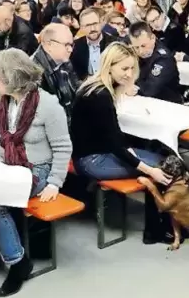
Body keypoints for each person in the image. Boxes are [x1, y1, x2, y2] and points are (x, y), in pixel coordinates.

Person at [0, 48, 72, 297]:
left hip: (37, 170)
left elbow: (63, 147)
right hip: (4, 166)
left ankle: (17, 262)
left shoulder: (48, 104)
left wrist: (55, 183)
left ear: (13, 79)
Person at [70, 42, 178, 244]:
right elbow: (115, 144)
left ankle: (165, 225)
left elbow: (114, 137)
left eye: (131, 68)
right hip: (91, 160)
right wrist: (147, 169)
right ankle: (157, 229)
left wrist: (137, 158)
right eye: (124, 68)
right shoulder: (100, 96)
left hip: (94, 154)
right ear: (109, 66)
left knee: (161, 162)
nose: (129, 74)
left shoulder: (97, 88)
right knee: (161, 166)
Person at [31, 23, 80, 119]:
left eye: (71, 45)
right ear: (49, 44)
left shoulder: (64, 60)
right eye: (66, 45)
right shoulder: (33, 71)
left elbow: (76, 87)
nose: (70, 49)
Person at [129, 22, 182, 103]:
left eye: (143, 46)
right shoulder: (132, 52)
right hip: (142, 101)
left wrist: (128, 85)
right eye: (136, 47)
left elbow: (149, 90)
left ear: (153, 38)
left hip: (167, 104)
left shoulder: (164, 59)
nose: (140, 51)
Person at [71, 8, 116, 81]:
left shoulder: (114, 43)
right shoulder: (75, 47)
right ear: (82, 28)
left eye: (95, 23)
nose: (92, 28)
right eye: (88, 25)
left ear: (101, 23)